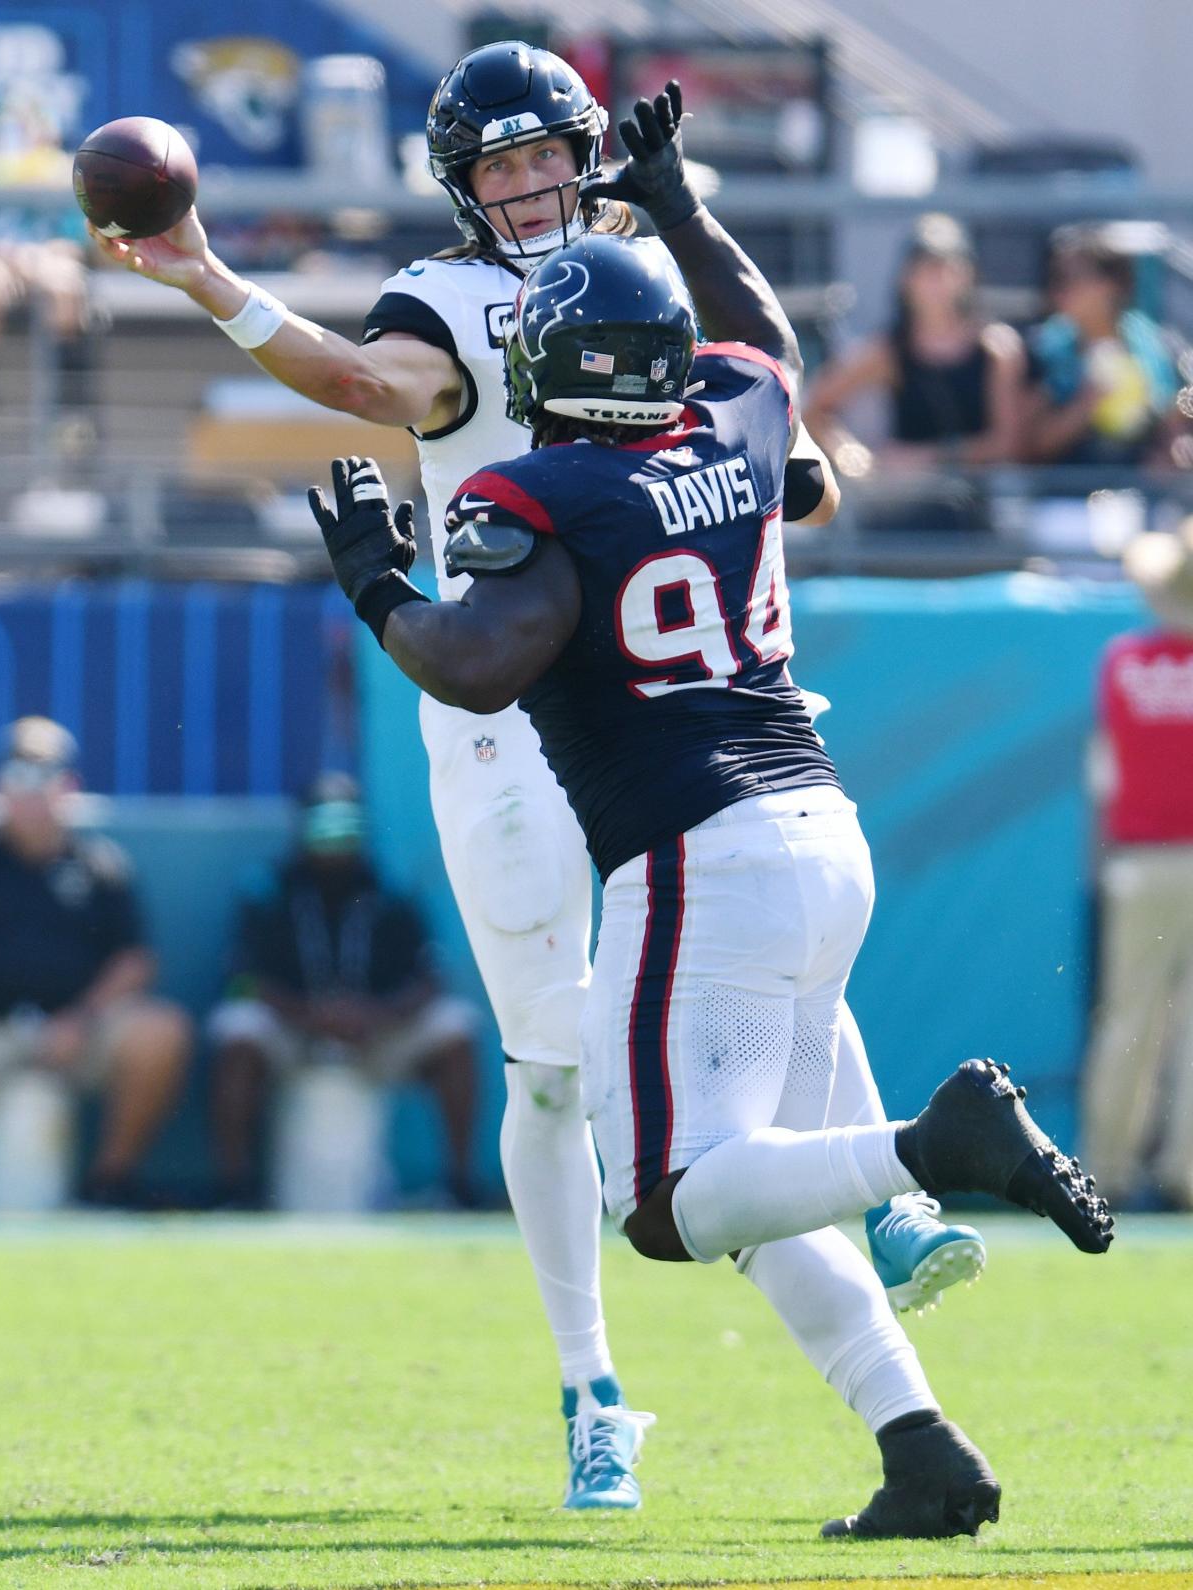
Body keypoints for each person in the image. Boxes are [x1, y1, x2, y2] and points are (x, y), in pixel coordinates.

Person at [90, 40, 981, 1507]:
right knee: (563, 1065)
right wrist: (208, 279)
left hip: (650, 693)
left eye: (544, 153)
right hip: (512, 701)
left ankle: (880, 1214)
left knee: (734, 1016)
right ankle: (597, 1382)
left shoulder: (641, 271)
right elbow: (360, 379)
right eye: (498, 167)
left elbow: (786, 437)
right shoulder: (449, 301)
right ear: (461, 186)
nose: (531, 184)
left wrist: (775, 427)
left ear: (581, 148)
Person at [307, 86, 1112, 1539]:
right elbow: (773, 342)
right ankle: (921, 1444)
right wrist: (677, 197)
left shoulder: (543, 488)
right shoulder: (742, 421)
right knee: (757, 1172)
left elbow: (474, 668)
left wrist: (375, 572)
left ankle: (931, 1151)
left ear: (546, 361)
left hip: (695, 864)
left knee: (670, 1202)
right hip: (820, 829)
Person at [208, 771, 480, 1208]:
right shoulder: (266, 892)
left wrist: (373, 1014)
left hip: (376, 1034)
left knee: (456, 1025)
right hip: (295, 1032)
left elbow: (430, 980)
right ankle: (233, 1187)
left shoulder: (391, 893)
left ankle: (459, 1184)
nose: (334, 840)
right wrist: (311, 1014)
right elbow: (240, 980)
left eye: (345, 826)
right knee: (238, 1027)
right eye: (323, 826)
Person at [0, 716, 191, 1205]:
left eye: (46, 778)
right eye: (19, 777)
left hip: (76, 1032)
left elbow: (135, 961)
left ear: (70, 786)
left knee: (159, 1031)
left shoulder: (101, 865)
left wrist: (79, 1020)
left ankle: (108, 1182)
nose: (33, 794)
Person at [1081, 521, 1193, 1210]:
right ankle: (1186, 1171)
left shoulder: (1123, 660)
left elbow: (1105, 775)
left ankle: (1107, 1170)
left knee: (1128, 1016)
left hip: (1141, 861)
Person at [802, 213, 1026, 482]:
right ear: (906, 280)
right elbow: (815, 408)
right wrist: (852, 457)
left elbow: (1008, 444)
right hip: (911, 505)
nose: (938, 281)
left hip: (985, 500)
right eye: (926, 268)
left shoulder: (997, 349)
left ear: (969, 276)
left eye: (948, 268)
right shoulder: (889, 352)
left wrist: (927, 457)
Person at [1025, 226, 1185, 470]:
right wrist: (1088, 402)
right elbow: (1030, 448)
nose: (1059, 289)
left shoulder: (1158, 345)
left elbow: (1174, 427)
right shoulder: (1040, 350)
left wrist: (1172, 452)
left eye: (1071, 278)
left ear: (1110, 285)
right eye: (1055, 277)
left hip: (1145, 495)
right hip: (1065, 496)